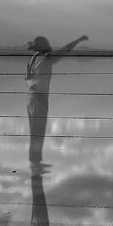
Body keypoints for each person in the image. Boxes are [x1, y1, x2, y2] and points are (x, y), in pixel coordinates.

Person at [23, 32, 86, 169]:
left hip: (30, 98)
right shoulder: (46, 59)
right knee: (39, 131)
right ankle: (35, 164)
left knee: (34, 131)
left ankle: (35, 162)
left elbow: (27, 78)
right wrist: (78, 40)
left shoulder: (33, 58)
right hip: (40, 98)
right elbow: (65, 50)